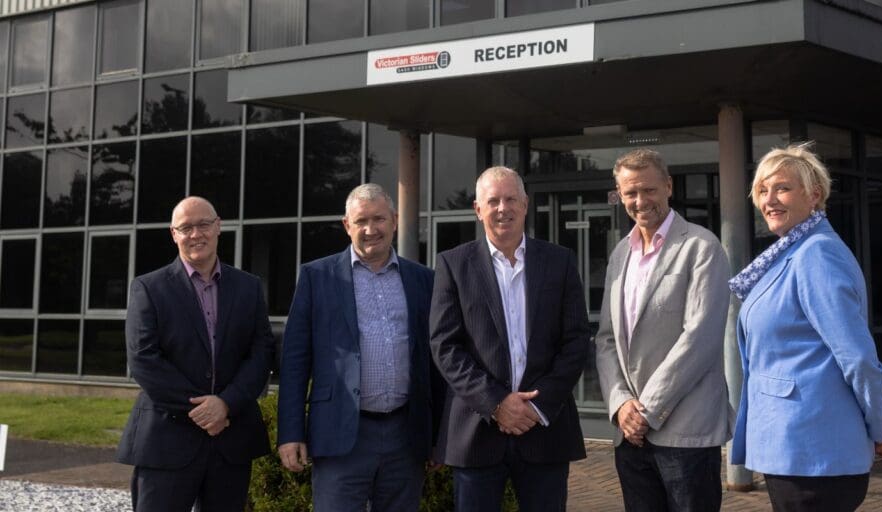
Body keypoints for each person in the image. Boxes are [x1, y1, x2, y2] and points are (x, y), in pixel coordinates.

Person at [729, 143, 882, 512]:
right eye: (762, 190)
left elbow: (857, 357)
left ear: (814, 195)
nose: (769, 200)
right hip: (795, 450)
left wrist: (878, 424)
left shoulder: (816, 254)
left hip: (813, 453)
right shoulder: (791, 253)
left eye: (782, 188)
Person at [430, 166, 590, 511]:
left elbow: (576, 340)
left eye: (511, 199)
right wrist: (497, 403)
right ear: (478, 209)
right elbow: (445, 346)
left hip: (545, 428)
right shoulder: (453, 265)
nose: (503, 208)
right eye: (493, 201)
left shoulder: (559, 261)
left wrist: (537, 405)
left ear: (525, 204)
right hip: (477, 430)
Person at [276, 183, 442, 511]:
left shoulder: (423, 279)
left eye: (379, 219)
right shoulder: (317, 277)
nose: (370, 229)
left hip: (405, 436)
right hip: (339, 434)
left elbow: (434, 360)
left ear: (395, 220)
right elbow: (295, 361)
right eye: (361, 221)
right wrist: (290, 432)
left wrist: (437, 435)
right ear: (346, 225)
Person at [593, 148, 733, 511]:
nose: (640, 201)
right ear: (620, 195)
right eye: (630, 193)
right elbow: (606, 339)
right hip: (630, 435)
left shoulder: (702, 247)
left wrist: (647, 410)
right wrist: (620, 404)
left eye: (649, 190)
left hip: (686, 433)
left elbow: (699, 338)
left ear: (668, 186)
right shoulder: (620, 254)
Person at [116, 196, 274, 512]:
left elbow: (261, 351)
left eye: (203, 224)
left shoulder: (249, 287)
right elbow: (143, 359)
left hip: (231, 439)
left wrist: (226, 404)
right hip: (167, 439)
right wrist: (204, 410)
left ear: (218, 227)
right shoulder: (149, 288)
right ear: (173, 234)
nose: (196, 234)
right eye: (186, 227)